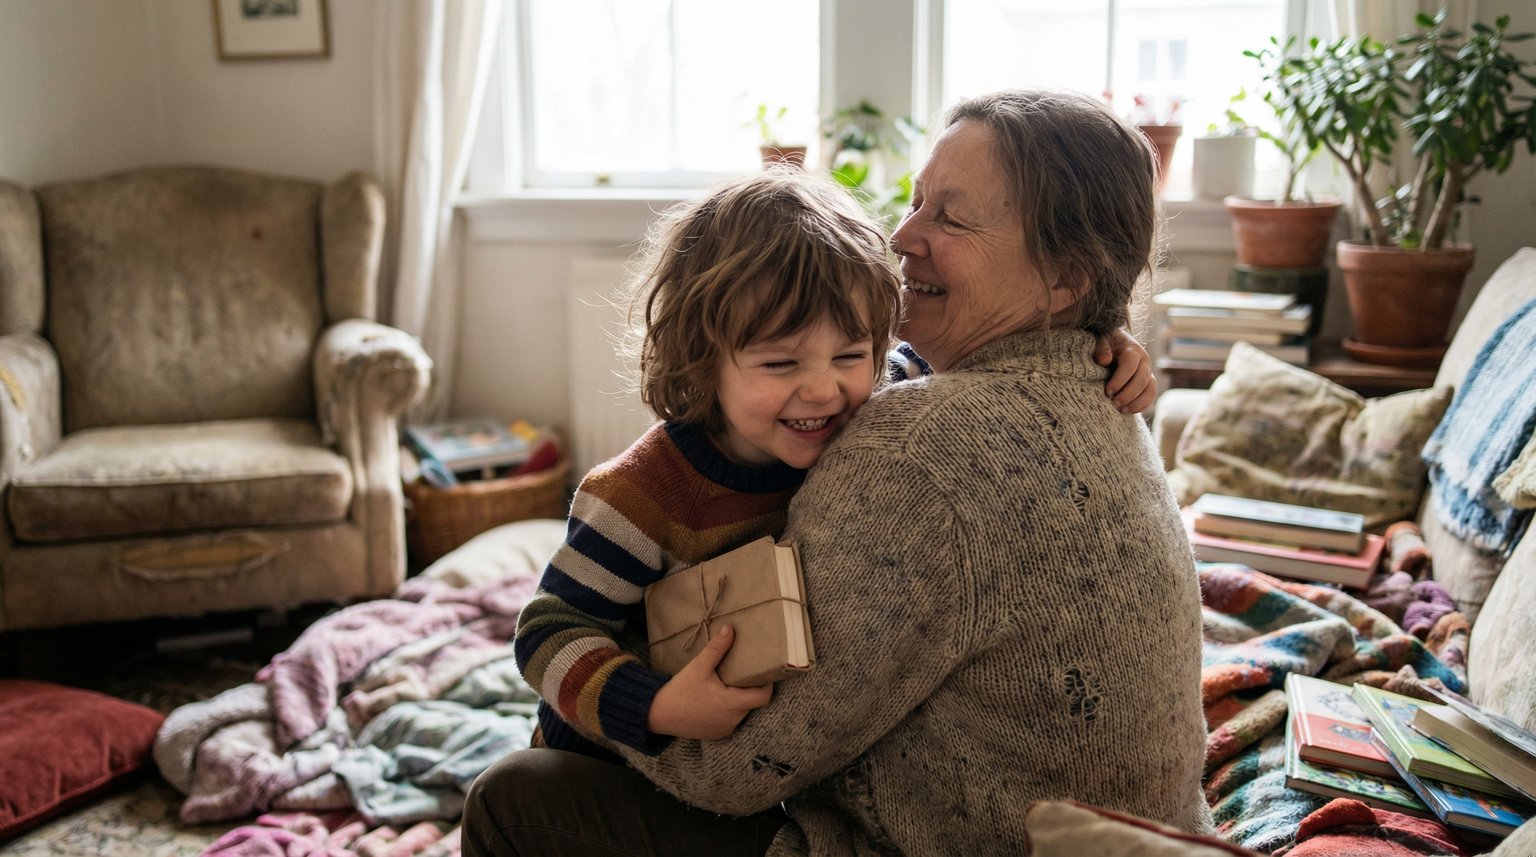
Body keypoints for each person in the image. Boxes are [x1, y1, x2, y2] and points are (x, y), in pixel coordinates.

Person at [472, 89, 1204, 854]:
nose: (903, 233)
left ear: (1066, 279)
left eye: (949, 217)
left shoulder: (913, 440)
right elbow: (553, 625)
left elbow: (738, 767)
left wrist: (670, 714)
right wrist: (645, 702)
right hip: (1136, 826)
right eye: (917, 201)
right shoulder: (1095, 386)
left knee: (509, 799)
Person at [512, 169, 1156, 767]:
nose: (824, 390)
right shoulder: (641, 495)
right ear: (700, 359)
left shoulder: (877, 394)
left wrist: (1099, 340)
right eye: (780, 364)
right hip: (606, 755)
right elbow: (549, 630)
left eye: (851, 354)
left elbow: (990, 358)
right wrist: (653, 704)